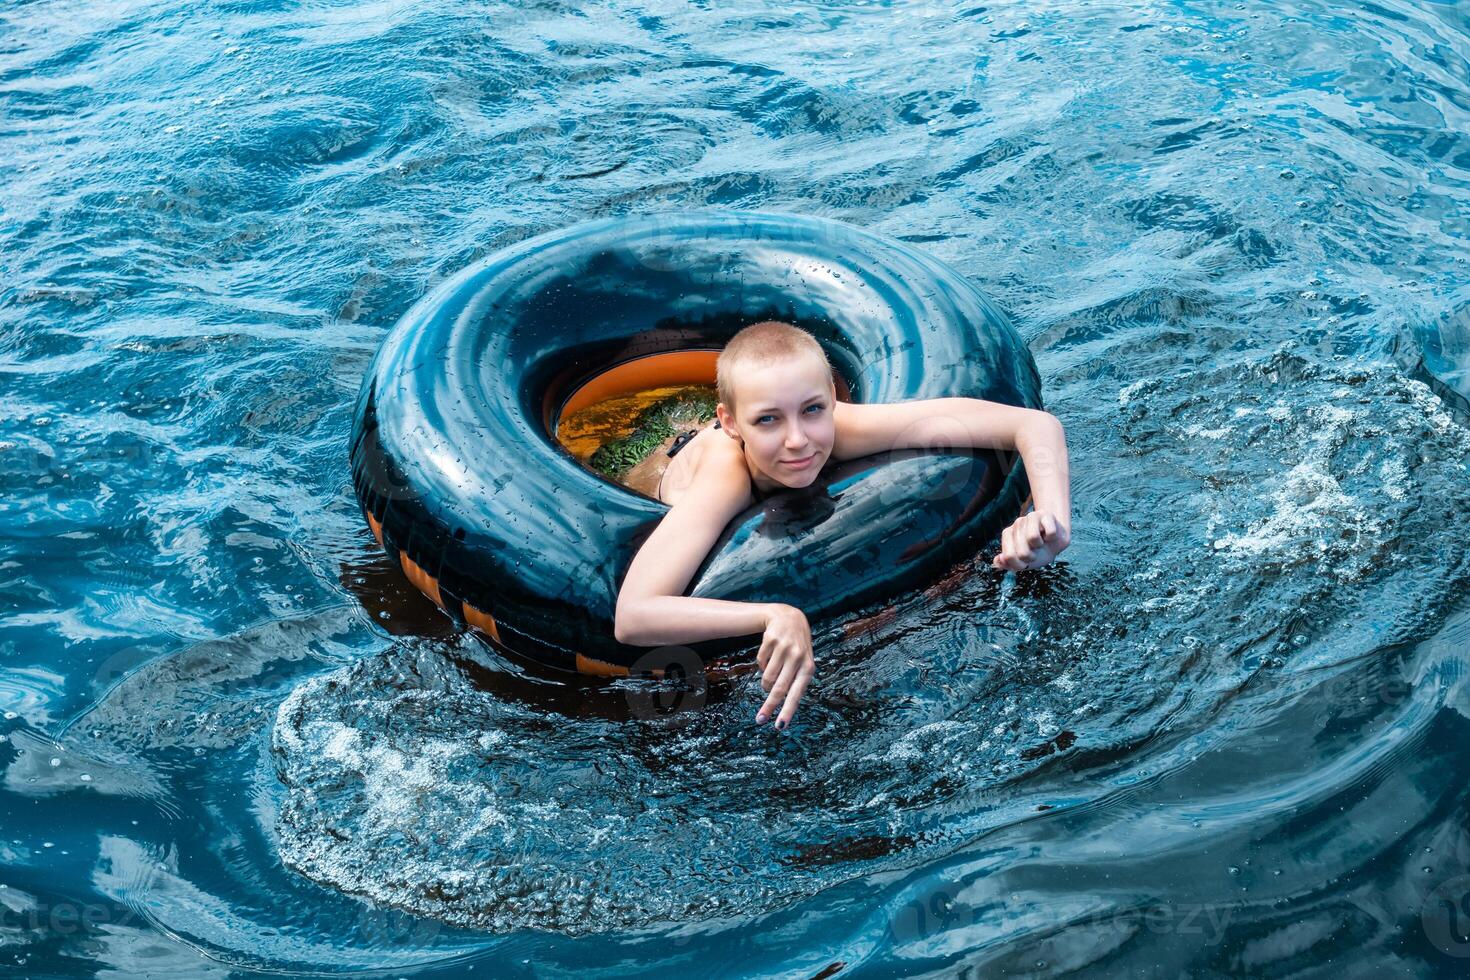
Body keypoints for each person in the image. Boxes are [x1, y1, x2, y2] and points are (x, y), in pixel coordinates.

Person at [614, 321, 1072, 730]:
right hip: (660, 469)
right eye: (768, 420)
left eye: (812, 410)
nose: (797, 440)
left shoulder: (843, 428)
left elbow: (1033, 425)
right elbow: (633, 617)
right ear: (731, 424)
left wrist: (1050, 522)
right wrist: (774, 613)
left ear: (833, 399)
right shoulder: (723, 480)